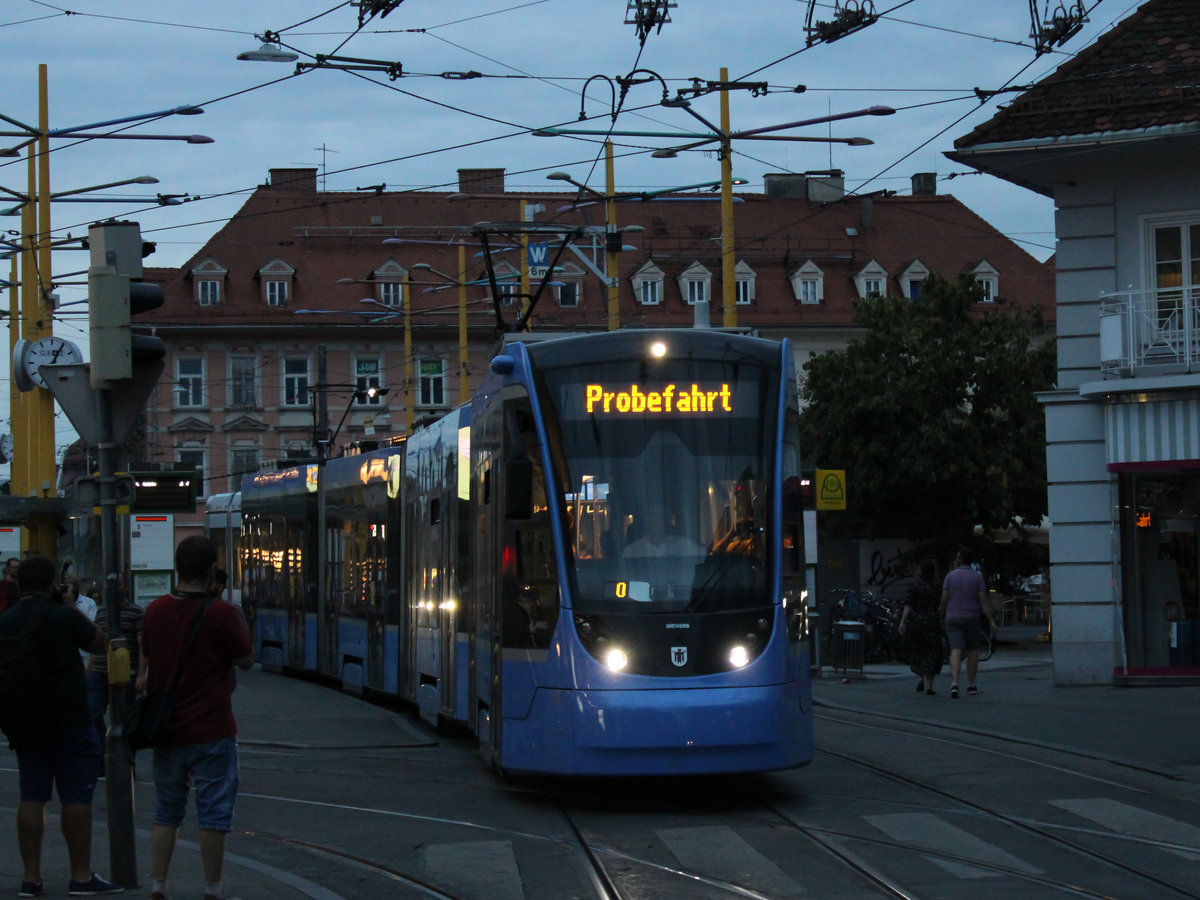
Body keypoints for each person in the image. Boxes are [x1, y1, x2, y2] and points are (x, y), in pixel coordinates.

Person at [139, 536, 254, 900]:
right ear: (209, 572)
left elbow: (149, 660)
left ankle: (158, 883)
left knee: (166, 810)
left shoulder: (155, 611)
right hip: (212, 727)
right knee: (214, 812)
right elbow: (246, 660)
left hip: (168, 728)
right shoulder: (220, 614)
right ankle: (212, 889)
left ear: (177, 568)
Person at [0, 556, 123, 897]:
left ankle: (31, 877)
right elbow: (98, 643)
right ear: (52, 584)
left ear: (20, 584)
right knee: (76, 798)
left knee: (32, 796)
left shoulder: (6, 621)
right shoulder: (64, 616)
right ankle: (81, 876)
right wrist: (69, 605)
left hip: (24, 722)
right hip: (70, 719)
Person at [86, 588, 144, 751]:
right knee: (91, 712)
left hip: (126, 672)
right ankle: (104, 752)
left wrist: (141, 674)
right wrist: (89, 671)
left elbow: (142, 644)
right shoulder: (102, 612)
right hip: (99, 671)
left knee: (126, 719)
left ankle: (125, 759)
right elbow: (97, 643)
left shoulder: (136, 612)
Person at [940, 547, 995, 699]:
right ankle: (971, 685)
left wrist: (942, 615)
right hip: (972, 617)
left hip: (953, 617)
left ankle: (955, 683)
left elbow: (944, 599)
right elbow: (983, 600)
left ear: (959, 559)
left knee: (955, 650)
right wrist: (990, 620)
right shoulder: (977, 577)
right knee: (973, 650)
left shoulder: (950, 576)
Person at [898, 559, 943, 695]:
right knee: (933, 651)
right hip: (933, 621)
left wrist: (902, 621)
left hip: (917, 621)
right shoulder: (936, 586)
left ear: (921, 571)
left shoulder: (915, 586)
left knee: (917, 649)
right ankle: (930, 685)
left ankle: (919, 678)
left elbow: (908, 604)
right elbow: (941, 602)